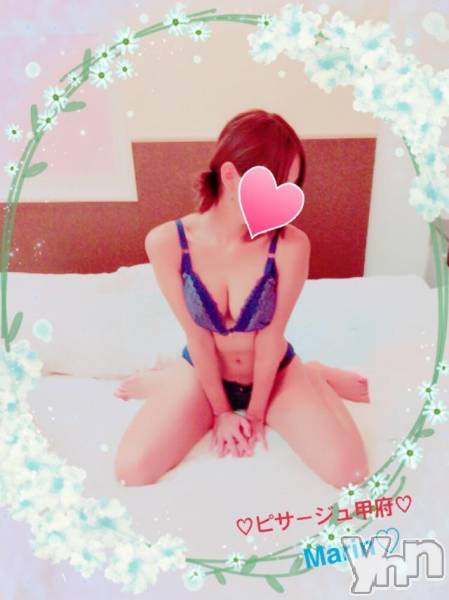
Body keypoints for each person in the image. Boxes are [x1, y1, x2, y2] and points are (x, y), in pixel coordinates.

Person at [113, 109, 370, 488]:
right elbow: (197, 335)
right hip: (204, 372)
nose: (281, 204)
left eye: (290, 188)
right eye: (275, 185)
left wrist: (255, 413)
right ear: (231, 176)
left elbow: (270, 336)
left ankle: (314, 373)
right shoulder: (167, 242)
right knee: (132, 470)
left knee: (351, 474)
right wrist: (220, 412)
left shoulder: (290, 246)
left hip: (274, 371)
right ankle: (171, 380)